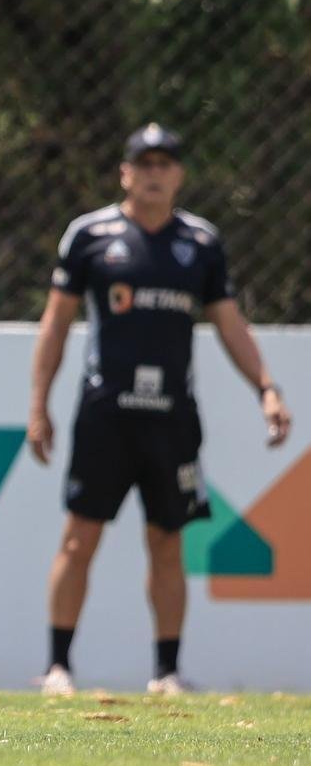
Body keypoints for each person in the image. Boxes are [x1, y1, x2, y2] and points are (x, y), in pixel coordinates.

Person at [27, 123, 293, 696]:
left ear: (179, 175)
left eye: (164, 164)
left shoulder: (200, 242)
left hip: (172, 419)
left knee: (169, 542)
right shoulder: (90, 235)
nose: (153, 173)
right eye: (143, 163)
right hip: (105, 414)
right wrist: (38, 405)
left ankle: (166, 672)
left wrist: (267, 387)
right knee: (79, 537)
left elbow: (229, 323)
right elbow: (56, 323)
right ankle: (57, 667)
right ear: (125, 173)